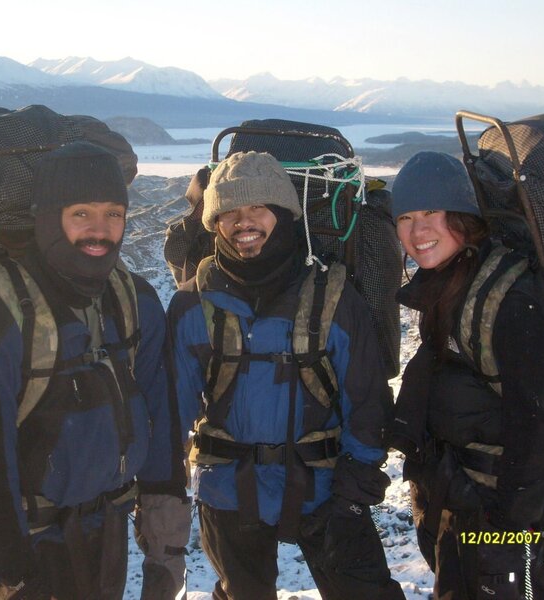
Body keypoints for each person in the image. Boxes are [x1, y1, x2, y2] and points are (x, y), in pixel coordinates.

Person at [0, 141, 190, 600]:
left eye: (113, 214)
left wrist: (166, 545)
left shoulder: (133, 300)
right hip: (28, 542)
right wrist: (14, 571)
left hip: (109, 529)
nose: (101, 230)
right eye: (82, 214)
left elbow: (162, 417)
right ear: (49, 217)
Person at [168, 151, 405, 600]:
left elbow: (367, 401)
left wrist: (353, 494)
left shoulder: (334, 298)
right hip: (228, 492)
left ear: (284, 213)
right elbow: (174, 409)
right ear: (214, 223)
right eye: (229, 212)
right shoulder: (191, 305)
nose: (244, 221)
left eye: (257, 208)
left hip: (326, 487)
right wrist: (164, 493)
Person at [389, 152, 544, 599]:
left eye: (431, 212)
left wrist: (504, 530)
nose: (418, 231)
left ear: (463, 215)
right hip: (460, 502)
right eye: (407, 217)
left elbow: (542, 425)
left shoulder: (508, 298)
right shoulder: (452, 284)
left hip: (504, 521)